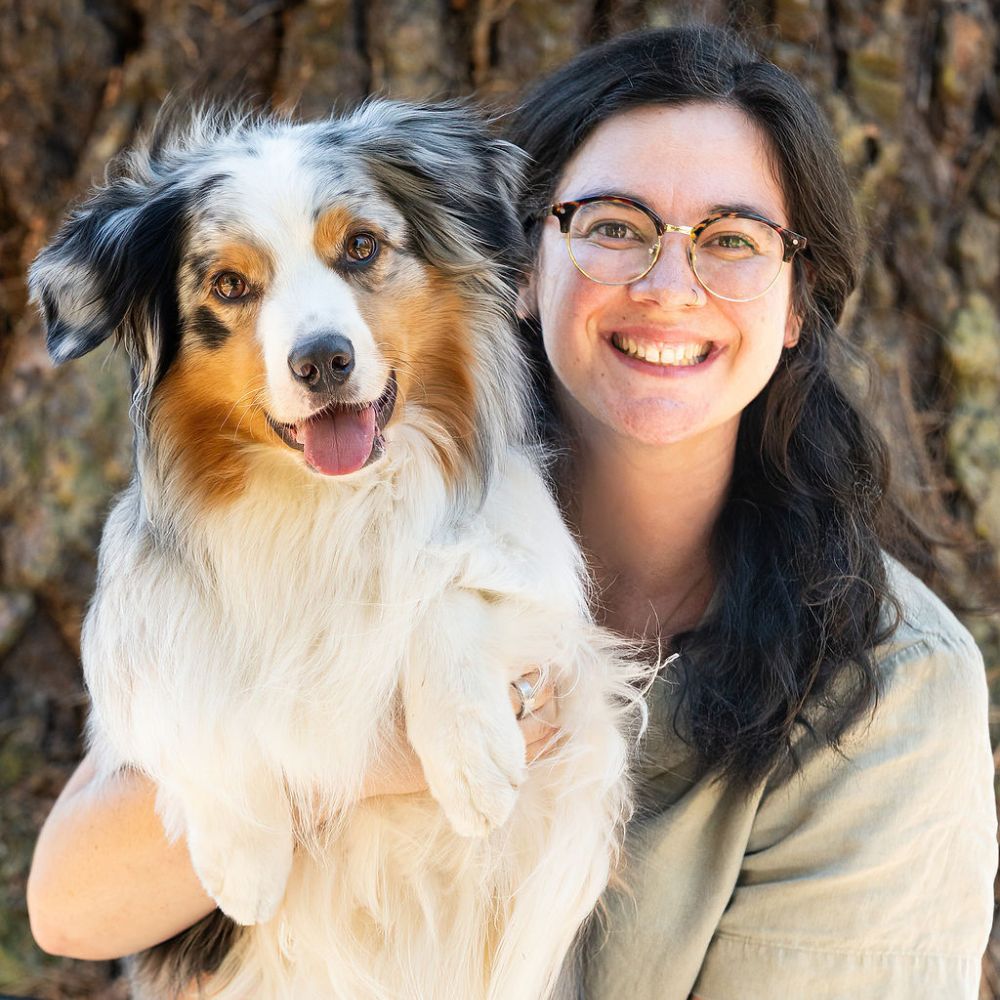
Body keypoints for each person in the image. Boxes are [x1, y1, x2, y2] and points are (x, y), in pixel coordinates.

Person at [26, 24, 996, 1000]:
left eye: (732, 241)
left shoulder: (894, 691)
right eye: (614, 225)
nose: (668, 287)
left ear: (796, 302)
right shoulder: (340, 513)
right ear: (522, 257)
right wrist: (374, 751)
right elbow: (73, 905)